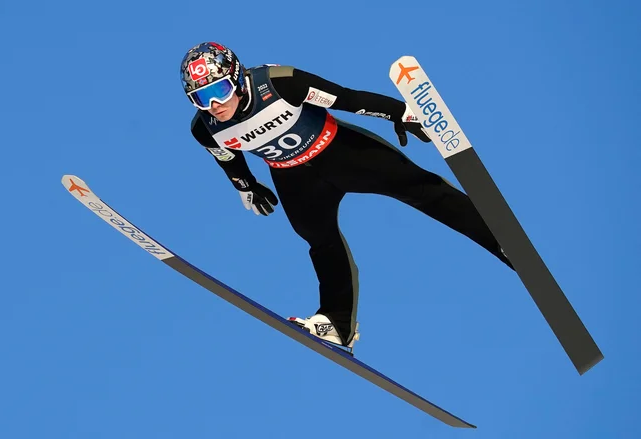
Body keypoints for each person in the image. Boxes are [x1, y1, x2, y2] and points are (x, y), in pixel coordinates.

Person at [180, 42, 513, 353]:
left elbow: (347, 99)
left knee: (421, 189)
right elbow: (226, 157)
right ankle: (337, 325)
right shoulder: (204, 128)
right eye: (201, 98)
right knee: (321, 243)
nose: (214, 105)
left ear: (237, 79)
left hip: (343, 154)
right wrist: (246, 185)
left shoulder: (281, 83)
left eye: (219, 91)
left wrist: (399, 113)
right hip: (294, 179)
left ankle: (500, 240)